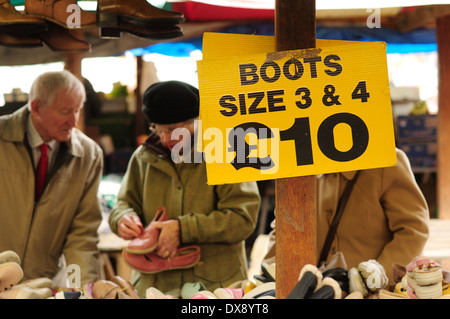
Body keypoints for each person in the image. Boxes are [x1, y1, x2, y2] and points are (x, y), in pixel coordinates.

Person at [108, 80, 261, 298]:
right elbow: (122, 204)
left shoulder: (227, 152)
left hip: (215, 288)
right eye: (157, 129)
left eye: (172, 129)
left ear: (197, 122)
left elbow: (242, 219)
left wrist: (183, 228)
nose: (164, 138)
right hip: (154, 287)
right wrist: (123, 218)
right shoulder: (142, 157)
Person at [264, 148, 430, 285]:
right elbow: (283, 229)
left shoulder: (386, 160)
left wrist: (376, 278)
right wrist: (272, 278)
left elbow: (414, 229)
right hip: (315, 292)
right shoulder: (299, 164)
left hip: (374, 294)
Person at [0, 70, 104, 286]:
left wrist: (84, 289)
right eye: (66, 111)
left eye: (77, 110)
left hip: (43, 283)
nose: (73, 121)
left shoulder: (89, 155)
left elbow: (82, 237)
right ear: (36, 107)